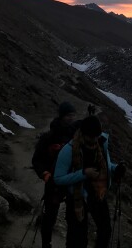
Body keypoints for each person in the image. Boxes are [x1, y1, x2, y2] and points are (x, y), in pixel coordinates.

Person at [54, 116, 126, 248]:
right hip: (77, 197)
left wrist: (116, 169)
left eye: (96, 136)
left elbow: (105, 164)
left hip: (97, 193)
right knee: (77, 240)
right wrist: (83, 173)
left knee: (105, 231)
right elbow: (58, 178)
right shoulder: (69, 150)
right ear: (84, 134)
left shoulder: (100, 143)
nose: (94, 140)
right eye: (91, 137)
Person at [31, 101, 79, 248]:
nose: (71, 118)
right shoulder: (48, 137)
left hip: (71, 181)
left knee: (72, 218)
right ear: (62, 116)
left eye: (72, 115)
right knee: (50, 217)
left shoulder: (74, 134)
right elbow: (37, 160)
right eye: (68, 115)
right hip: (53, 182)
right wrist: (44, 174)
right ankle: (47, 244)